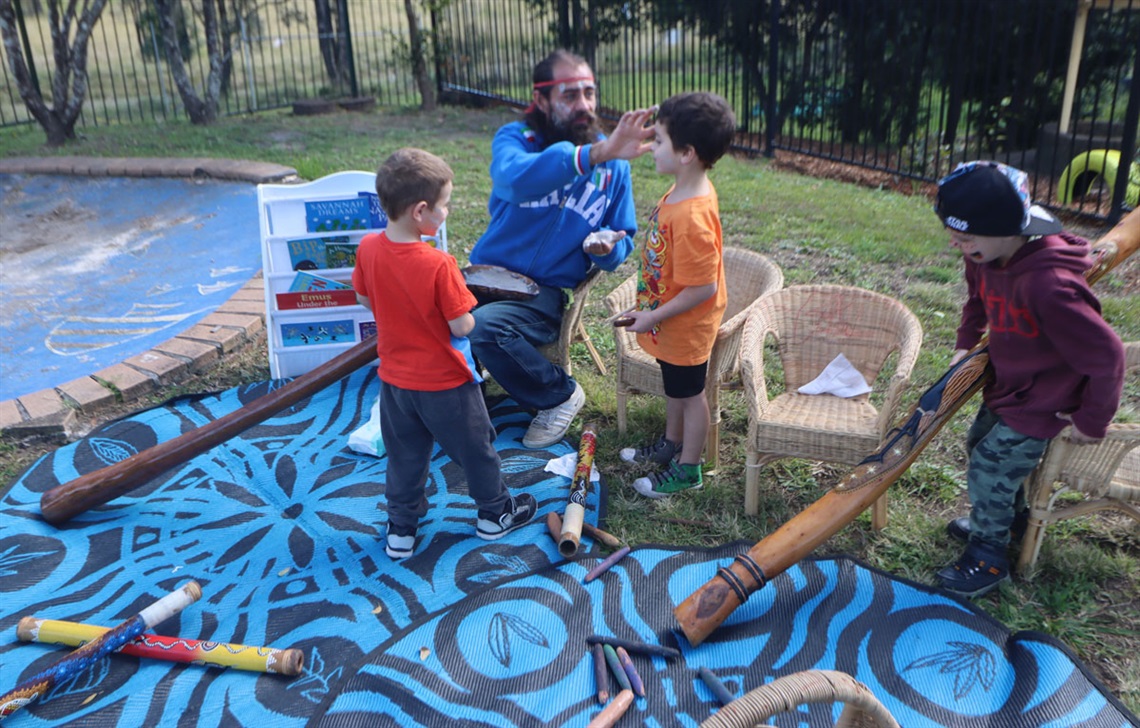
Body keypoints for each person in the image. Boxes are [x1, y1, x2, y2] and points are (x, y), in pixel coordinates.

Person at [933, 160, 1125, 597]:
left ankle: (988, 558)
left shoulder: (1050, 286)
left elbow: (1107, 356)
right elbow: (976, 300)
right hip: (1007, 386)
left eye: (966, 236)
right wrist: (965, 342)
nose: (958, 244)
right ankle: (1006, 520)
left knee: (990, 466)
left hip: (1045, 398)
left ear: (1010, 229)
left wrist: (1092, 420)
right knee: (978, 447)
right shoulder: (983, 255)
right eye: (955, 235)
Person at [352, 148, 536, 560]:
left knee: (405, 457)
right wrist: (473, 315)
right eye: (444, 205)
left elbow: (365, 298)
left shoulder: (367, 248)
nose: (447, 211)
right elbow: (461, 326)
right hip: (446, 385)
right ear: (421, 211)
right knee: (476, 450)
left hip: (395, 387)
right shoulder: (439, 264)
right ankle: (494, 515)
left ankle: (400, 531)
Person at [468, 49, 656, 449]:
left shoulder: (613, 163)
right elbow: (512, 180)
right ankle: (458, 400)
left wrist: (606, 249)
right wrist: (594, 154)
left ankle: (558, 395)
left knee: (486, 328)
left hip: (541, 293)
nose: (585, 105)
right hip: (484, 276)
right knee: (422, 307)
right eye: (570, 95)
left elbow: (621, 234)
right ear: (542, 100)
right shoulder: (517, 140)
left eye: (589, 93)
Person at [615, 91, 736, 497]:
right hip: (666, 315)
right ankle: (670, 444)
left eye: (660, 141)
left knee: (690, 395)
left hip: (685, 323)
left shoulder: (692, 215)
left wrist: (655, 314)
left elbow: (704, 286)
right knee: (675, 387)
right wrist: (649, 307)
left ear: (687, 153)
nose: (651, 147)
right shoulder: (682, 190)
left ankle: (689, 468)